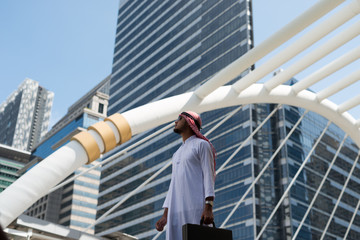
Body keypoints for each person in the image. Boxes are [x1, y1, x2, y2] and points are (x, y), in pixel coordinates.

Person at [155, 111, 216, 240]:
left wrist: (208, 207)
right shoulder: (176, 153)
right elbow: (173, 185)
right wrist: (165, 214)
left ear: (190, 122)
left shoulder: (202, 145)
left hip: (195, 207)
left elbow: (209, 176)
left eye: (180, 119)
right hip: (175, 210)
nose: (176, 122)